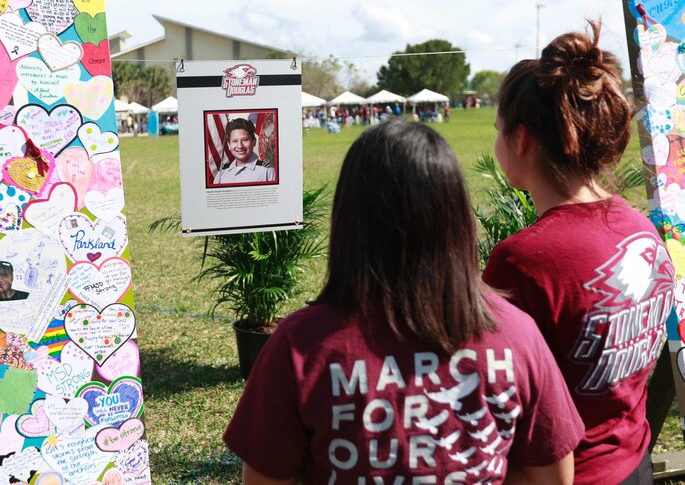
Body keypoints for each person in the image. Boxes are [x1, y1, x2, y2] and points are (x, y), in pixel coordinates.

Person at [224, 121, 583, 484]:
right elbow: (553, 478)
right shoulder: (517, 336)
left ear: (349, 219)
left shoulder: (300, 345)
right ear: (456, 216)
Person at [482, 21, 673, 485]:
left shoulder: (521, 261)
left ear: (522, 139)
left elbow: (491, 399)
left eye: (498, 129)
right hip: (633, 461)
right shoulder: (642, 229)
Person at [212, 118, 275, 185]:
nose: (240, 146)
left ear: (254, 142)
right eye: (235, 141)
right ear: (229, 145)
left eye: (245, 140)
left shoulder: (267, 172)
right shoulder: (221, 174)